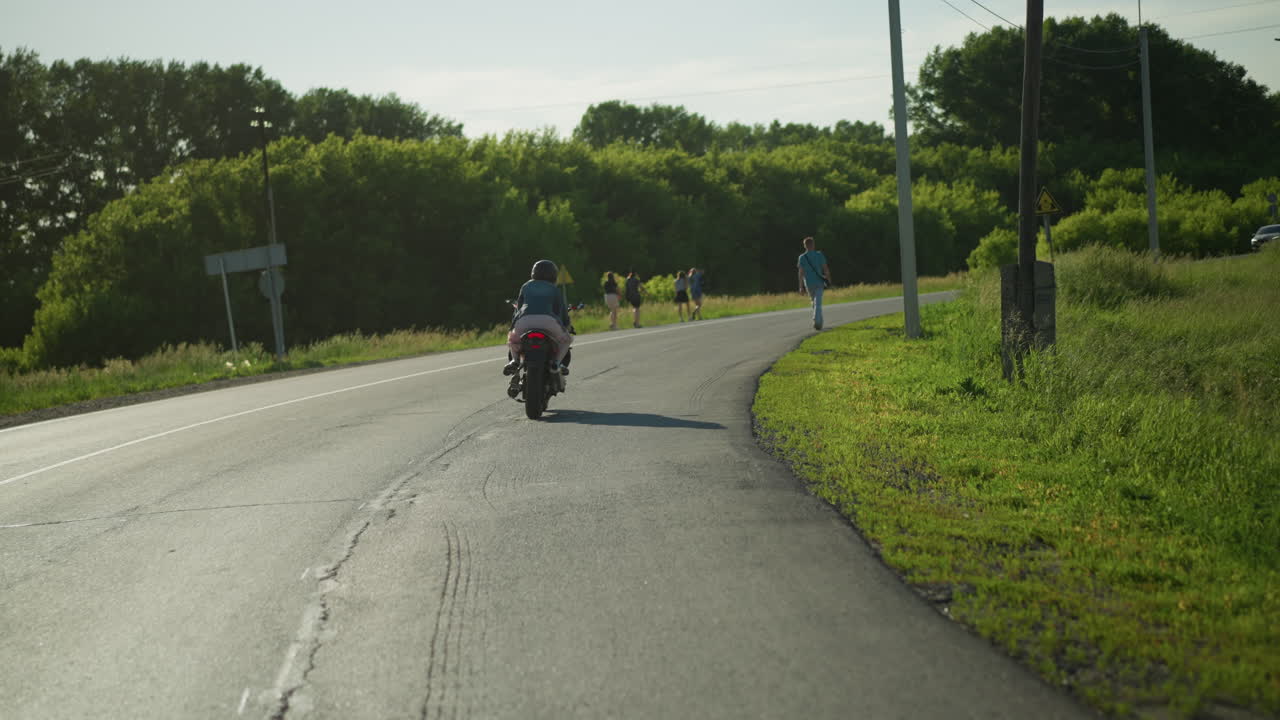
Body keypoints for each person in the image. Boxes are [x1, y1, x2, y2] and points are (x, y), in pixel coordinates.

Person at [505, 259, 573, 379]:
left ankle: (515, 361)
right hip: (548, 321)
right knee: (566, 340)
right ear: (553, 275)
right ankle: (556, 364)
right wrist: (566, 325)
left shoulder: (526, 286)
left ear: (533, 273)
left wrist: (513, 328)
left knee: (514, 341)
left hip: (524, 321)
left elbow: (519, 309)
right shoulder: (554, 289)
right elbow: (561, 310)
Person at [797, 236, 831, 330]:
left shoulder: (802, 257)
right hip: (819, 282)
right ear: (813, 244)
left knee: (815, 302)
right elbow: (825, 268)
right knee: (817, 303)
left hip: (808, 284)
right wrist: (829, 279)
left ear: (805, 246)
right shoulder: (819, 255)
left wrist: (800, 287)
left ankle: (819, 322)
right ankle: (817, 320)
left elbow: (800, 273)